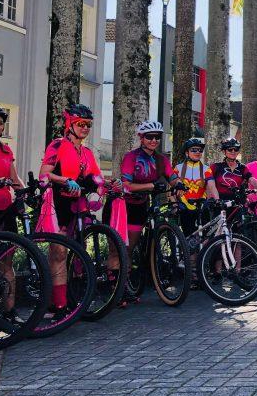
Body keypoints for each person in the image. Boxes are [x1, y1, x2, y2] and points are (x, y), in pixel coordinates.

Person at [40, 105, 108, 313]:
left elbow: (98, 177)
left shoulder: (87, 152)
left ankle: (73, 298)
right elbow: (44, 173)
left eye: (88, 125)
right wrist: (65, 179)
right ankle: (57, 305)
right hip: (59, 204)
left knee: (78, 253)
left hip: (79, 206)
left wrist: (109, 185)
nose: (85, 128)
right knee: (59, 253)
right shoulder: (57, 145)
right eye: (81, 124)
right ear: (70, 124)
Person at [120, 121, 183, 275]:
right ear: (141, 138)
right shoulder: (131, 157)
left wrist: (179, 184)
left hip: (146, 202)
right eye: (150, 137)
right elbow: (126, 185)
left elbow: (172, 177)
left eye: (157, 137)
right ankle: (124, 280)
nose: (154, 140)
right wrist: (150, 186)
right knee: (129, 246)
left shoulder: (162, 159)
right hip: (128, 204)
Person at [174, 137, 207, 235]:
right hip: (184, 207)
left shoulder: (207, 169)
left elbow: (211, 187)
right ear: (186, 153)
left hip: (201, 206)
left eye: (200, 150)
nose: (198, 152)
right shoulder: (178, 168)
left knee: (204, 237)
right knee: (187, 236)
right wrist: (174, 203)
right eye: (193, 150)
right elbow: (170, 188)